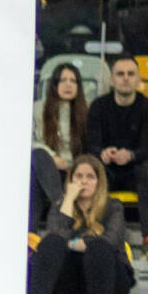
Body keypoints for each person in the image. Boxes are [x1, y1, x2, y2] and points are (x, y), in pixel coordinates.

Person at [27, 153, 138, 294]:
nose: (84, 181)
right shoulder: (60, 206)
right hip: (71, 277)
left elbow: (111, 240)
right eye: (78, 176)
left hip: (108, 277)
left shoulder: (113, 206)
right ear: (70, 180)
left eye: (90, 177)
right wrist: (69, 199)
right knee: (51, 242)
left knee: (99, 246)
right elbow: (55, 236)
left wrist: (75, 244)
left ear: (99, 182)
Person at [84, 55, 148, 253]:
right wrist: (102, 153)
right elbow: (91, 145)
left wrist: (130, 155)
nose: (126, 78)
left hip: (134, 172)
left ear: (138, 79)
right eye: (120, 74)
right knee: (91, 168)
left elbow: (147, 149)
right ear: (112, 80)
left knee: (145, 168)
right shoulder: (98, 106)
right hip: (106, 171)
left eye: (130, 74)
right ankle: (91, 232)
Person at [31, 63, 87, 230]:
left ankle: (34, 233)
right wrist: (53, 157)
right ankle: (59, 203)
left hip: (73, 172)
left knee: (36, 179)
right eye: (63, 80)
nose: (68, 85)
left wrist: (75, 167)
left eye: (73, 81)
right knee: (38, 156)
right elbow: (29, 141)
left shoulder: (86, 112)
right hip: (47, 168)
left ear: (78, 86)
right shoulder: (38, 108)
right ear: (54, 85)